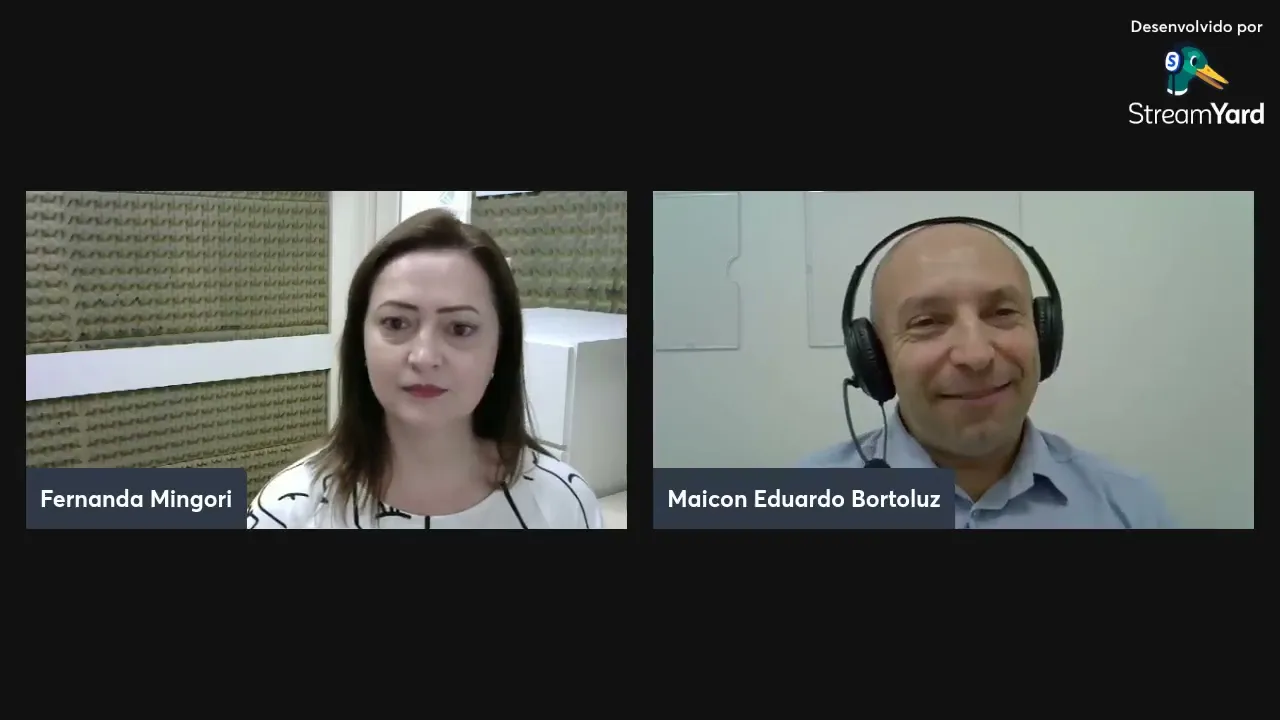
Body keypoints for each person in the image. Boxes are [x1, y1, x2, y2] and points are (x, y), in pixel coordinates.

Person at [801, 222, 1176, 529]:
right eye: (927, 322)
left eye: (1002, 313)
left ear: (1043, 332)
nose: (976, 355)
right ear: (874, 356)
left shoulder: (1131, 509)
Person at [248, 209, 604, 529]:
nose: (424, 356)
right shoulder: (287, 512)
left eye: (460, 328)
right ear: (361, 343)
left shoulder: (564, 505)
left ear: (500, 348)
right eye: (396, 323)